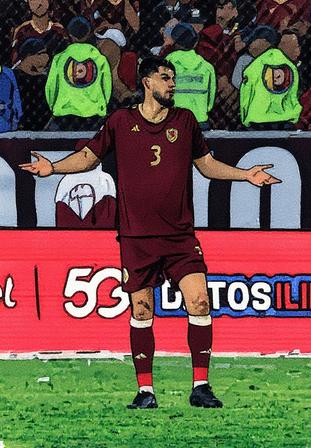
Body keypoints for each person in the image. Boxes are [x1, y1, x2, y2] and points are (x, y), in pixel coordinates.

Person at [20, 56, 282, 410]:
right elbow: (87, 157)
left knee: (200, 302)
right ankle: (146, 391)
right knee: (142, 311)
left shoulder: (185, 121)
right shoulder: (121, 121)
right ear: (147, 82)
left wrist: (245, 174)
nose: (172, 84)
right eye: (165, 77)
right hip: (136, 236)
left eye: (173, 78)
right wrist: (52, 168)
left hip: (179, 236)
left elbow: (206, 166)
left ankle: (201, 386)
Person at [44, 16, 112, 131]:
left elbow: (50, 88)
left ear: (71, 35)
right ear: (88, 33)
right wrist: (102, 106)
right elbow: (107, 87)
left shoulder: (59, 59)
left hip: (65, 114)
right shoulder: (100, 59)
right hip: (93, 113)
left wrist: (54, 107)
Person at [165, 23, 216, 129]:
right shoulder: (207, 67)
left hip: (173, 120)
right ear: (195, 43)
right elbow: (210, 102)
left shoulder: (166, 64)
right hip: (199, 121)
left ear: (174, 41)